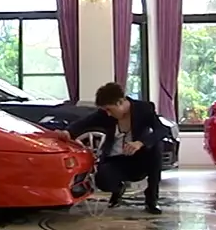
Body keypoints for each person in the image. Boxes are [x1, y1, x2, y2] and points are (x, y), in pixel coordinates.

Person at [65, 82, 164, 214]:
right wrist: (67, 132)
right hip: (116, 160)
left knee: (156, 147)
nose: (108, 114)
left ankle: (152, 200)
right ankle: (118, 189)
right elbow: (84, 123)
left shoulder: (144, 109)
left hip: (140, 160)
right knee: (103, 180)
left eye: (109, 109)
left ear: (120, 102)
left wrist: (140, 143)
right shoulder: (105, 115)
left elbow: (162, 130)